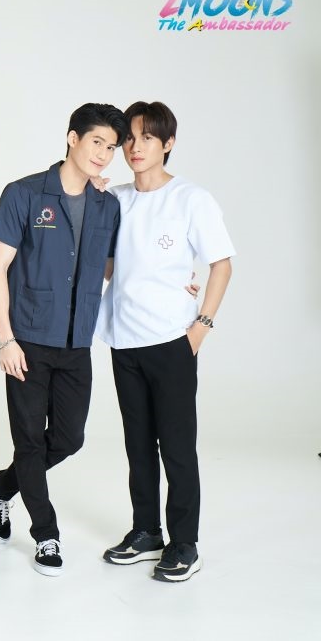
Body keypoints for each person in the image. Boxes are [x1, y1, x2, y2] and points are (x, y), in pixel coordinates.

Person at [0, 103, 127, 576]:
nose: (103, 154)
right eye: (96, 142)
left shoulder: (107, 205)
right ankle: (46, 535)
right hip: (26, 339)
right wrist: (6, 340)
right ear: (72, 138)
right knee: (29, 442)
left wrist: (172, 282)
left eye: (111, 147)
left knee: (68, 438)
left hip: (76, 341)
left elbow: (113, 268)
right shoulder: (24, 193)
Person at [97, 101, 234, 583]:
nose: (135, 147)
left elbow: (221, 264)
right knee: (137, 445)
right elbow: (109, 265)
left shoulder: (191, 199)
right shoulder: (114, 198)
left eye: (148, 138)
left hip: (173, 340)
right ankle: (145, 532)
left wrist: (201, 327)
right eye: (130, 139)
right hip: (123, 339)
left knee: (176, 445)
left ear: (168, 144)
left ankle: (184, 543)